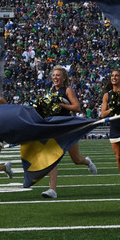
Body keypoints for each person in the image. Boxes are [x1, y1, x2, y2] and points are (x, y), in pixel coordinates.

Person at [42, 66, 97, 199]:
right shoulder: (50, 91)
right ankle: (52, 190)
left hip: (67, 127)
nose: (55, 77)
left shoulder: (68, 90)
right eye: (54, 75)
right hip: (54, 127)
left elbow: (77, 108)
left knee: (76, 159)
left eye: (58, 75)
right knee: (51, 158)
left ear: (64, 77)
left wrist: (62, 105)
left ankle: (87, 162)